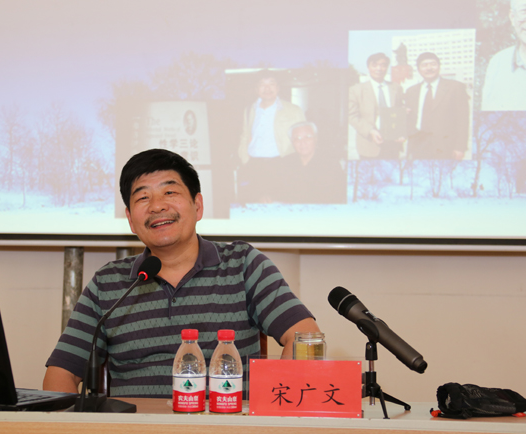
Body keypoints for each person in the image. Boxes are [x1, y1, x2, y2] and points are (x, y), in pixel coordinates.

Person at [43, 149, 320, 397]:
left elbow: (305, 337)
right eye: (143, 197)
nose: (157, 206)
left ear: (197, 206)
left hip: (226, 431)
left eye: (170, 193)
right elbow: (61, 374)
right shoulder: (108, 282)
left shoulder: (243, 264)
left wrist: (270, 414)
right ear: (130, 220)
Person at [236, 72, 306, 204]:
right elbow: (245, 135)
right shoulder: (249, 109)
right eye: (262, 84)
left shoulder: (293, 110)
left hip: (281, 165)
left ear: (278, 88)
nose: (267, 88)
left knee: (280, 205)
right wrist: (245, 159)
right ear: (256, 89)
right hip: (254, 166)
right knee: (252, 204)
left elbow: (303, 137)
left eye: (271, 84)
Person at [405, 52, 470, 160]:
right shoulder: (411, 91)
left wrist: (460, 147)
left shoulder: (455, 87)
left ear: (439, 66)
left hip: (444, 146)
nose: (429, 68)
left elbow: (463, 120)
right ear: (419, 69)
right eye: (424, 65)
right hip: (418, 144)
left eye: (433, 64)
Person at [349, 52, 405, 159]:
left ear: (387, 68)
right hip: (369, 144)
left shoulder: (396, 88)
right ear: (368, 67)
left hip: (393, 145)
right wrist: (370, 131)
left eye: (383, 65)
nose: (379, 68)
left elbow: (399, 110)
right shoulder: (356, 90)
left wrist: (401, 130)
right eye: (374, 65)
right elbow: (352, 115)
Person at [280, 122, 346, 204]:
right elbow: (277, 190)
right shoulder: (285, 163)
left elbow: (339, 194)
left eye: (308, 137)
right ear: (292, 142)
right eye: (297, 138)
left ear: (316, 139)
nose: (302, 142)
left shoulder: (331, 164)